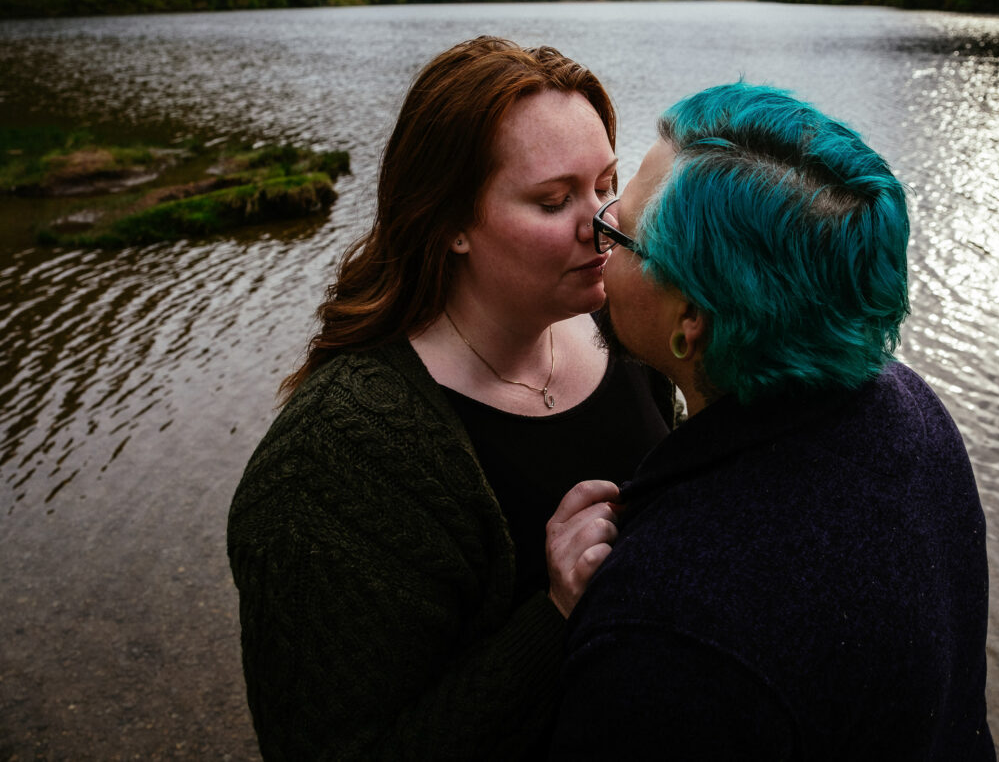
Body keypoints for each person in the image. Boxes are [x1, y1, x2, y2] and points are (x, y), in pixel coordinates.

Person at [227, 37, 675, 760]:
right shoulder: (331, 463)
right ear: (451, 224)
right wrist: (555, 614)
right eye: (554, 200)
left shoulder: (621, 327)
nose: (601, 225)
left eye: (605, 184)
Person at [553, 83, 995, 759]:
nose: (600, 237)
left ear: (690, 320)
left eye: (622, 233)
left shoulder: (663, 625)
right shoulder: (909, 405)